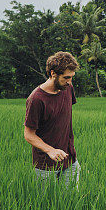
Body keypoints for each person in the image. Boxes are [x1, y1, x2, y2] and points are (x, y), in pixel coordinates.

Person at [24, 51, 81, 188]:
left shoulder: (68, 88)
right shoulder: (37, 99)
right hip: (45, 166)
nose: (69, 81)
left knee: (70, 203)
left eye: (72, 77)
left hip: (70, 159)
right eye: (66, 77)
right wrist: (50, 150)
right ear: (53, 73)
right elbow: (28, 134)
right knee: (46, 206)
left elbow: (62, 117)